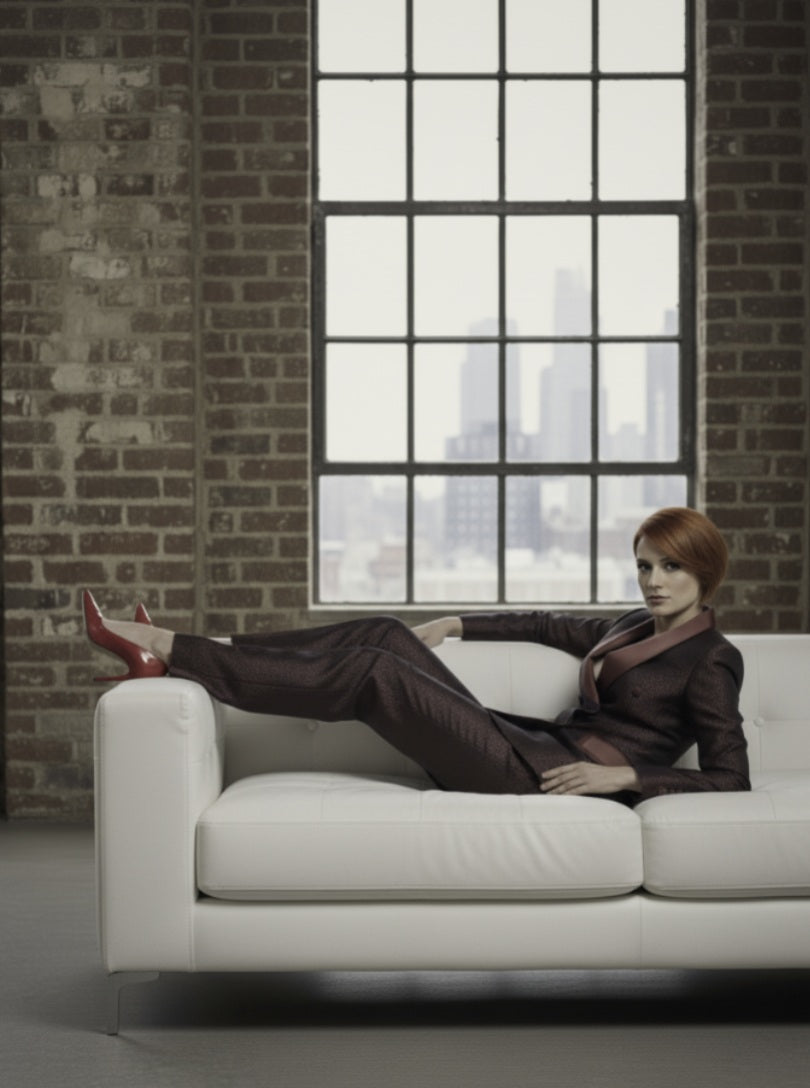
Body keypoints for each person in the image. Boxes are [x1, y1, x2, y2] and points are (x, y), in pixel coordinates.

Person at [82, 506, 749, 804]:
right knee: (382, 631)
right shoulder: (636, 622)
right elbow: (548, 622)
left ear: (704, 571)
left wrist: (625, 779)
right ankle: (208, 650)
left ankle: (168, 649)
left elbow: (730, 779)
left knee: (374, 671)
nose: (655, 581)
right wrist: (459, 622)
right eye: (644, 567)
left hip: (544, 782)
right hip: (527, 746)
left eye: (671, 567)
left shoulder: (711, 660)